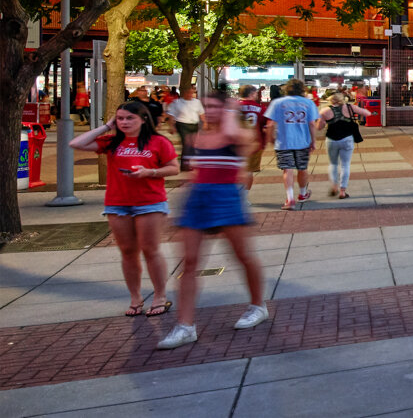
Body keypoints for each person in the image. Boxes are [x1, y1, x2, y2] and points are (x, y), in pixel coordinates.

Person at [155, 86, 268, 350]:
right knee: (189, 263)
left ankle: (258, 305)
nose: (211, 112)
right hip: (198, 198)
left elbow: (241, 140)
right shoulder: (198, 136)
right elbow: (196, 169)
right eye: (208, 107)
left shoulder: (236, 133)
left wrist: (230, 110)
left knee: (242, 256)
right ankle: (185, 326)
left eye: (216, 106)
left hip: (227, 197)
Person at [71, 102, 178, 317]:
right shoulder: (112, 141)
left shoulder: (159, 142)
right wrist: (106, 126)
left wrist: (149, 172)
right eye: (120, 118)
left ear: (143, 119)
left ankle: (160, 296)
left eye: (130, 118)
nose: (124, 122)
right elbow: (76, 143)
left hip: (150, 202)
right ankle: (135, 298)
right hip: (117, 203)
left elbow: (174, 168)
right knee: (128, 252)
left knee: (150, 249)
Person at [265, 79, 320, 211]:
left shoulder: (277, 103)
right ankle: (302, 194)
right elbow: (312, 124)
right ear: (302, 89)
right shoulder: (308, 103)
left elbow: (270, 124)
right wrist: (313, 140)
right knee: (302, 168)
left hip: (283, 142)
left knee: (287, 169)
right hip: (302, 141)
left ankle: (290, 199)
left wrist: (270, 138)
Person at [322, 89, 363, 199]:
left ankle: (334, 187)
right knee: (345, 165)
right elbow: (367, 113)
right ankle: (342, 191)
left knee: (333, 164)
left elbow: (318, 126)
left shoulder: (325, 110)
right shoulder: (349, 107)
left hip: (331, 139)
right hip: (347, 138)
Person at [165, 85, 203, 170]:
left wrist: (206, 123)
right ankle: (184, 165)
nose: (190, 94)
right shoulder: (177, 102)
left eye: (191, 92)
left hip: (194, 125)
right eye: (188, 92)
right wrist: (171, 126)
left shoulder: (197, 102)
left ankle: (188, 160)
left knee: (192, 144)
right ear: (184, 93)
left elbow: (201, 113)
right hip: (182, 125)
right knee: (186, 144)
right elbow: (171, 115)